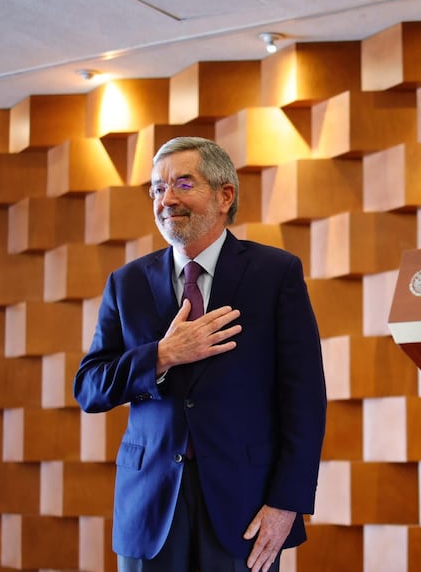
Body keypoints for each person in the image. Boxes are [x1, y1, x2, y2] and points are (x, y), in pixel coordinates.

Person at [74, 136, 327, 572]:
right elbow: (89, 388)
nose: (166, 199)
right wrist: (161, 355)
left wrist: (287, 503)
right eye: (157, 188)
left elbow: (304, 401)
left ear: (225, 195)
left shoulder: (275, 273)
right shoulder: (126, 283)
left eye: (183, 184)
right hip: (149, 508)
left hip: (245, 507)